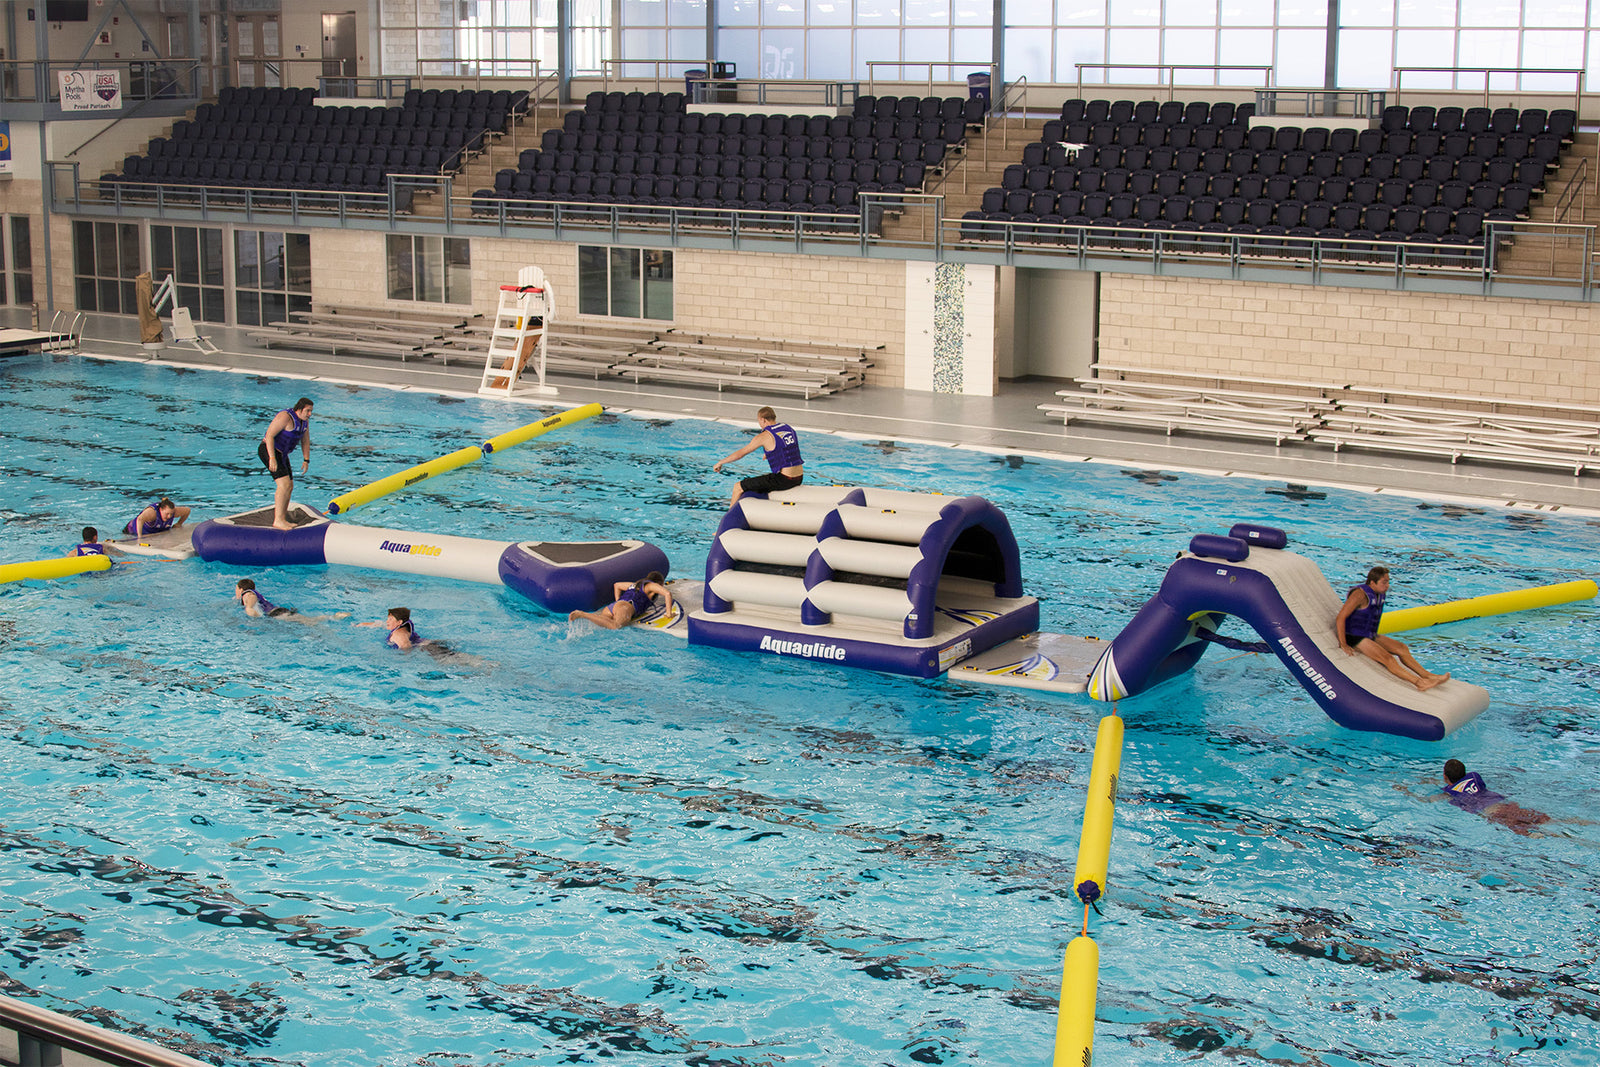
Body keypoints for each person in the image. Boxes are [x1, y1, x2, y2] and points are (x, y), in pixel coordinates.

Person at [1335, 565, 1449, 692]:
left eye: (1388, 582)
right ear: (1372, 583)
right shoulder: (1359, 594)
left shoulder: (1379, 594)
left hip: (1368, 633)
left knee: (1401, 648)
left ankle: (1427, 675)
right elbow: (1341, 617)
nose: (1387, 585)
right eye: (1384, 582)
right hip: (1354, 636)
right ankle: (1419, 683)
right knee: (1387, 658)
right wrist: (1343, 643)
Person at [712, 406, 804, 505]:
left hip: (785, 480)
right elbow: (789, 449)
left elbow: (741, 453)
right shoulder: (788, 428)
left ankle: (730, 514)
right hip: (799, 478)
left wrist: (721, 462)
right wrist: (768, 454)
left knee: (738, 487)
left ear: (763, 420)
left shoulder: (764, 436)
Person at [1440, 759, 1552, 835]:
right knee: (1537, 818)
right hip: (1503, 804)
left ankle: (1536, 835)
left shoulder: (1450, 793)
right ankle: (1559, 824)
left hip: (1493, 813)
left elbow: (1449, 796)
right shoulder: (1474, 776)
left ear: (1445, 776)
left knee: (1521, 829)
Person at [260, 398, 314, 531]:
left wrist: (306, 459)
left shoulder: (304, 421)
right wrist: (272, 458)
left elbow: (305, 440)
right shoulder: (285, 417)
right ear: (299, 409)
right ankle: (278, 520)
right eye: (308, 411)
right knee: (283, 485)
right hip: (269, 450)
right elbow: (270, 435)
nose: (310, 414)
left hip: (282, 454)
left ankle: (282, 518)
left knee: (289, 486)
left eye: (311, 411)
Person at [569, 572, 674, 630]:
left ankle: (585, 615)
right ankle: (583, 614)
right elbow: (667, 594)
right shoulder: (651, 585)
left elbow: (617, 585)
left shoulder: (635, 585)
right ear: (659, 582)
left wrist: (618, 602)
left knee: (604, 624)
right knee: (616, 626)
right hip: (625, 607)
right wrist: (669, 614)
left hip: (614, 607)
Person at [234, 578, 349, 624]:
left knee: (310, 623)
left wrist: (251, 612)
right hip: (279, 612)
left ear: (240, 589)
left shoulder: (247, 593)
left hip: (276, 614)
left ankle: (332, 624)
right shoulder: (254, 593)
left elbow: (250, 598)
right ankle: (332, 617)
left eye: (236, 589)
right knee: (308, 620)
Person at [123, 498, 191, 540]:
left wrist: (179, 523)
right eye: (167, 514)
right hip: (131, 531)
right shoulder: (152, 513)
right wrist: (139, 537)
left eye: (171, 514)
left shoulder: (174, 511)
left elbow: (187, 510)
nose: (169, 516)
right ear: (161, 509)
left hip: (152, 533)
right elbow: (140, 519)